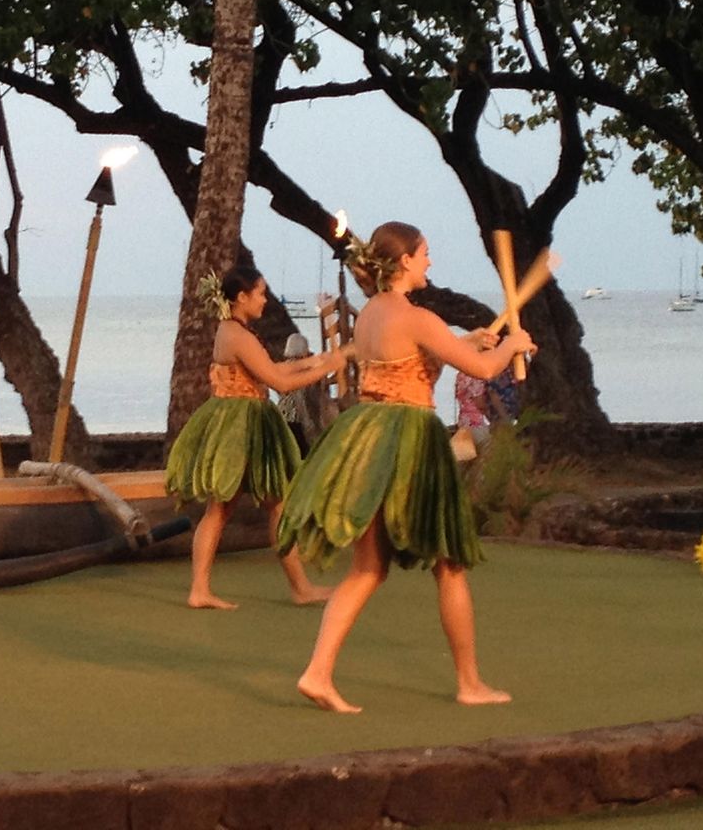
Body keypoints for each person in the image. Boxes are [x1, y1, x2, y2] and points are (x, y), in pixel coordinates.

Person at [278, 222, 536, 713]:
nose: (429, 262)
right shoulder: (417, 317)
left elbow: (419, 359)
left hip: (369, 436)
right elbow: (483, 370)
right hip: (410, 441)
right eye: (425, 253)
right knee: (450, 564)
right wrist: (512, 344)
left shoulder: (372, 315)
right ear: (404, 262)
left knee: (368, 568)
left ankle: (317, 672)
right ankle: (469, 683)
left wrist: (475, 339)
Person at [165, 267, 342, 610]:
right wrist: (325, 368)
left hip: (240, 422)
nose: (264, 300)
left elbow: (270, 369)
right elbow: (280, 383)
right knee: (234, 507)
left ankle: (296, 587)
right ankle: (207, 590)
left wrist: (316, 361)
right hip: (240, 429)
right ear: (242, 297)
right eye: (260, 293)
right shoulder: (237, 335)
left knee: (254, 506)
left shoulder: (233, 330)